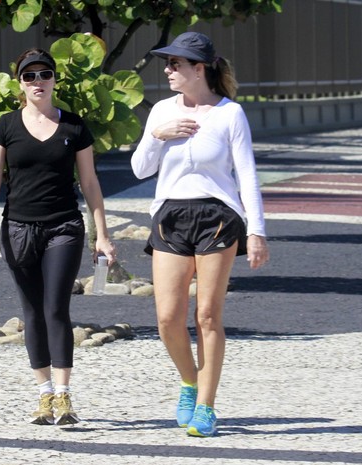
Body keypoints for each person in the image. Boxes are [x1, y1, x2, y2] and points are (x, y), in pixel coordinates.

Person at [131, 32, 270, 437]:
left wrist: (257, 232)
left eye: (177, 64)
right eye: (168, 63)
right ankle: (190, 381)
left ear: (199, 68)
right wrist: (158, 136)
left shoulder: (230, 114)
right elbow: (140, 169)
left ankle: (207, 406)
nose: (169, 70)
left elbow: (247, 176)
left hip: (218, 216)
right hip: (170, 215)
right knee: (167, 318)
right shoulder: (160, 111)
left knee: (207, 315)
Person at [0, 48, 115, 426]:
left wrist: (102, 233)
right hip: (17, 229)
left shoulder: (74, 126)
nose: (38, 82)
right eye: (29, 76)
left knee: (56, 308)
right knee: (32, 311)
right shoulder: (5, 125)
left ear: (54, 80)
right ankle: (44, 394)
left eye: (44, 75)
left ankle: (65, 395)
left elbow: (89, 182)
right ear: (19, 83)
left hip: (63, 227)